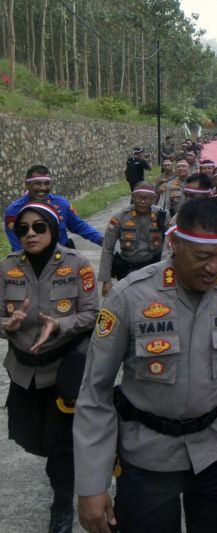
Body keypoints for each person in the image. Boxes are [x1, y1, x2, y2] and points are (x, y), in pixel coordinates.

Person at [73, 198, 217, 533]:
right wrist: (91, 483)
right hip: (147, 459)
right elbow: (94, 392)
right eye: (202, 256)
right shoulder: (128, 297)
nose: (213, 268)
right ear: (174, 244)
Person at [1, 202, 100, 533]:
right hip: (24, 372)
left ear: (53, 229)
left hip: (63, 371)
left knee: (61, 445)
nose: (30, 233)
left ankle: (63, 504)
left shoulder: (76, 265)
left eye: (39, 227)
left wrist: (60, 325)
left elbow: (91, 314)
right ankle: (64, 473)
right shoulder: (7, 267)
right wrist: (7, 324)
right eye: (23, 229)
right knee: (31, 436)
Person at [5, 165, 104, 251]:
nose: (43, 188)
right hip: (29, 263)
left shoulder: (62, 204)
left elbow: (79, 226)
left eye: (47, 183)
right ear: (27, 184)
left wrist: (102, 240)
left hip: (61, 260)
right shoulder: (14, 211)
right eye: (37, 183)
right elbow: (17, 246)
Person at [98, 183, 168, 297]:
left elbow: (170, 246)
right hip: (128, 272)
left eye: (147, 198)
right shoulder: (120, 217)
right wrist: (106, 280)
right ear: (132, 196)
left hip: (154, 271)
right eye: (138, 197)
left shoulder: (163, 216)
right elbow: (107, 248)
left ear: (154, 198)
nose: (142, 201)